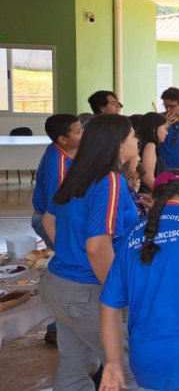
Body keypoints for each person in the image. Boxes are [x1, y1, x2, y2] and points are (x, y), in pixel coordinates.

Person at [98, 171, 179, 391]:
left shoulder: (132, 234)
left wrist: (113, 362)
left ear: (154, 199)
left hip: (148, 362)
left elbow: (109, 304)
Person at [38, 114, 139, 390]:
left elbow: (49, 220)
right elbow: (97, 247)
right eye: (133, 136)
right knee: (130, 367)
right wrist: (117, 292)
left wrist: (71, 255)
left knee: (76, 365)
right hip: (87, 290)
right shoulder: (109, 180)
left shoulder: (77, 171)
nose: (137, 140)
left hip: (59, 283)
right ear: (118, 144)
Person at [33, 114, 82, 249]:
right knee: (67, 257)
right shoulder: (58, 169)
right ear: (63, 139)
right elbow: (56, 209)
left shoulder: (61, 147)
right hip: (51, 220)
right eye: (78, 132)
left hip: (53, 216)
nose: (83, 133)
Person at [137, 112, 169, 192]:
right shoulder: (150, 145)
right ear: (154, 129)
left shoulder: (144, 144)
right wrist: (163, 194)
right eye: (165, 128)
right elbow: (147, 178)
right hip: (148, 193)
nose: (167, 133)